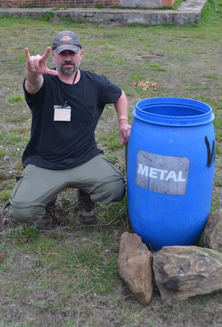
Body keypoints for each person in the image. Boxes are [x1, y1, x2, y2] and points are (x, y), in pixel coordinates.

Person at [9, 30, 131, 228]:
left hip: (84, 158)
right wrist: (32, 69)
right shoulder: (44, 81)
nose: (68, 59)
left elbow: (119, 95)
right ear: (54, 55)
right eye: (62, 54)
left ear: (81, 54)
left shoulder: (95, 83)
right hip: (45, 162)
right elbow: (32, 84)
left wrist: (123, 121)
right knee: (22, 210)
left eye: (72, 53)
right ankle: (46, 203)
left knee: (115, 189)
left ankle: (86, 194)